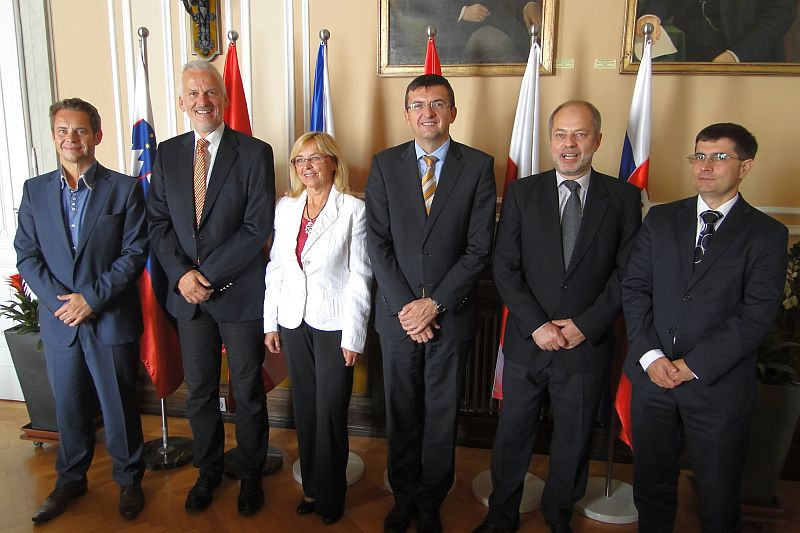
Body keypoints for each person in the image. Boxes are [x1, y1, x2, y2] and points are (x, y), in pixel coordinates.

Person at [473, 101, 642, 533]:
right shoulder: (523, 193)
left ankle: (558, 514)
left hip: (586, 344)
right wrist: (538, 325)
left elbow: (628, 273)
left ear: (597, 141)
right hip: (530, 342)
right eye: (561, 135)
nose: (570, 144)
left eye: (580, 134)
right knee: (513, 434)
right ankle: (501, 515)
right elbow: (505, 266)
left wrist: (584, 325)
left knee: (574, 439)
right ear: (550, 140)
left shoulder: (622, 198)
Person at [622, 123, 788, 533]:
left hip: (716, 385)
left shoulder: (766, 234)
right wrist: (651, 356)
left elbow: (757, 315)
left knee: (718, 493)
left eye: (719, 157)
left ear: (745, 166)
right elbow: (635, 290)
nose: (705, 166)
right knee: (651, 485)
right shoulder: (661, 219)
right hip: (652, 378)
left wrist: (690, 366)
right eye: (699, 156)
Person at [366, 73, 497, 533]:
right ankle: (404, 495)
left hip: (451, 318)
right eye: (418, 104)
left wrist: (434, 305)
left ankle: (431, 500)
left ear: (453, 113)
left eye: (438, 104)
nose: (428, 112)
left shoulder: (479, 166)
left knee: (442, 416)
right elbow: (377, 243)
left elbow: (479, 248)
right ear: (406, 114)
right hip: (398, 319)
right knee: (402, 412)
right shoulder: (383, 165)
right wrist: (409, 308)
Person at [147, 60, 275, 516]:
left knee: (247, 390)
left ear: (223, 98)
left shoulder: (255, 152)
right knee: (199, 392)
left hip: (238, 296)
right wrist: (183, 275)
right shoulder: (165, 155)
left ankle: (251, 472)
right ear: (182, 102)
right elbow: (158, 224)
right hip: (188, 300)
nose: (203, 101)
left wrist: (207, 276)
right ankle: (209, 471)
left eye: (211, 93)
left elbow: (257, 226)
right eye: (194, 94)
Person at [15, 98, 147, 522]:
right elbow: (26, 255)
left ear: (97, 136)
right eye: (63, 131)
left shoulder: (124, 189)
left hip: (108, 317)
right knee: (69, 409)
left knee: (119, 408)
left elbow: (134, 253)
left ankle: (130, 482)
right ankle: (70, 480)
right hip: (61, 322)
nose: (72, 138)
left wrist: (90, 298)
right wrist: (62, 303)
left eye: (81, 131)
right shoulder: (34, 191)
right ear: (54, 136)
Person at [264, 132, 372, 525]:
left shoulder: (353, 210)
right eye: (299, 160)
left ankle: (331, 494)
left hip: (333, 326)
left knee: (329, 413)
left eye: (315, 158)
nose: (307, 166)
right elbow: (276, 266)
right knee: (306, 411)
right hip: (294, 322)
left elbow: (361, 277)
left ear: (332, 163)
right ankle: (311, 487)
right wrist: (270, 321)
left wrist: (353, 335)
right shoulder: (286, 207)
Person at [636, 0, 797, 62]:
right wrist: (651, 16)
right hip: (688, 60)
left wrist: (736, 56)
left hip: (748, 60)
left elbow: (781, 12)